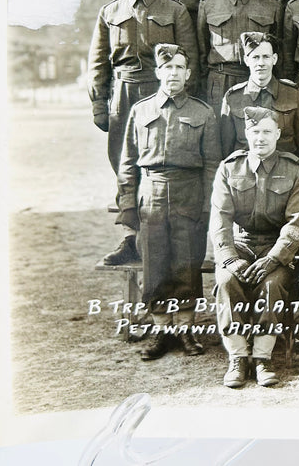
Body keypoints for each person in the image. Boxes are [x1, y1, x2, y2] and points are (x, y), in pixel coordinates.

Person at [88, 0, 198, 266]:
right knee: (124, 164)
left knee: (162, 164)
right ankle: (131, 239)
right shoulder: (111, 12)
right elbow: (98, 62)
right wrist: (98, 104)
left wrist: (180, 100)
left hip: (161, 91)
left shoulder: (174, 10)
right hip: (123, 94)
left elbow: (189, 57)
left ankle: (164, 240)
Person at [117, 44, 221, 361]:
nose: (173, 73)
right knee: (156, 266)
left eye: (179, 68)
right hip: (151, 194)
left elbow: (212, 165)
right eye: (167, 68)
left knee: (186, 266)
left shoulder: (202, 112)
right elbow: (128, 163)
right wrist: (128, 206)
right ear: (158, 72)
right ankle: (162, 332)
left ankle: (186, 331)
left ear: (188, 74)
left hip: (189, 192)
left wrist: (207, 207)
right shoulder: (141, 111)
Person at [209, 107, 299, 388]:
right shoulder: (229, 168)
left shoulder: (294, 170)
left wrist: (275, 258)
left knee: (274, 283)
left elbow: (296, 221)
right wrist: (230, 259)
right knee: (227, 280)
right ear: (246, 134)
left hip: (276, 247)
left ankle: (263, 357)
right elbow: (219, 220)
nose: (261, 138)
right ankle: (238, 356)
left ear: (278, 134)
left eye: (267, 132)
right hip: (241, 245)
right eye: (255, 132)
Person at [197, 0, 281, 115]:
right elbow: (202, 51)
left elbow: (279, 49)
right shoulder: (209, 4)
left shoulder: (270, 3)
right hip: (220, 81)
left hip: (258, 80)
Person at [219, 32, 299, 158]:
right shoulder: (233, 97)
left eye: (266, 57)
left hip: (284, 171)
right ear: (246, 60)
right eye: (255, 57)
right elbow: (226, 148)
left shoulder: (293, 94)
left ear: (274, 59)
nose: (261, 63)